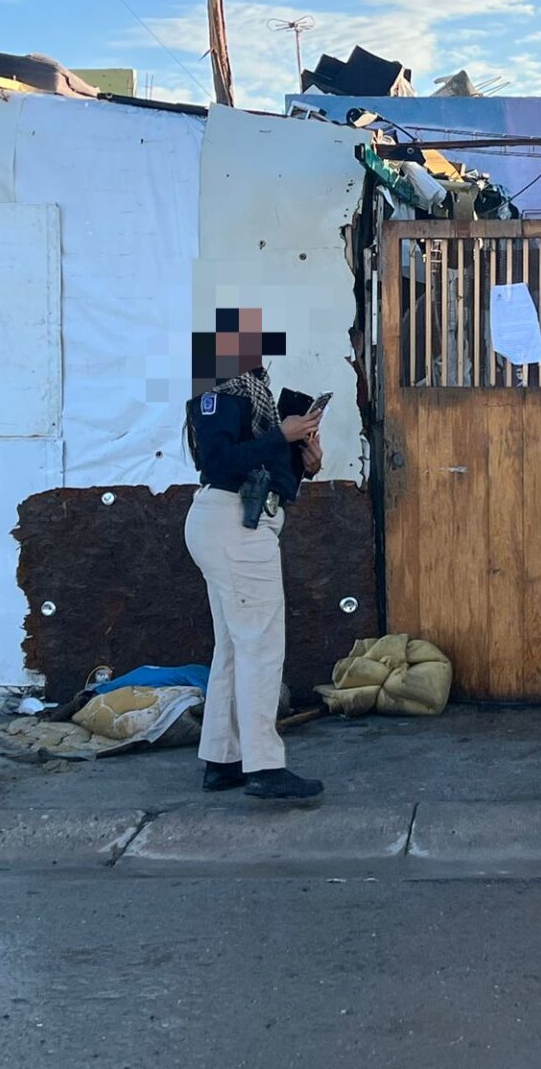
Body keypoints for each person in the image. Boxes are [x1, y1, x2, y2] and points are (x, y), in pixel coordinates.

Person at [184, 307, 325, 801]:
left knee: (232, 647)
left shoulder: (250, 394)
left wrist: (305, 460)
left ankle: (223, 759)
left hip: (234, 524)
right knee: (261, 646)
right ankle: (264, 766)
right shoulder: (220, 394)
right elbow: (219, 462)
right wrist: (280, 436)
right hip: (234, 526)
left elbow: (260, 464)